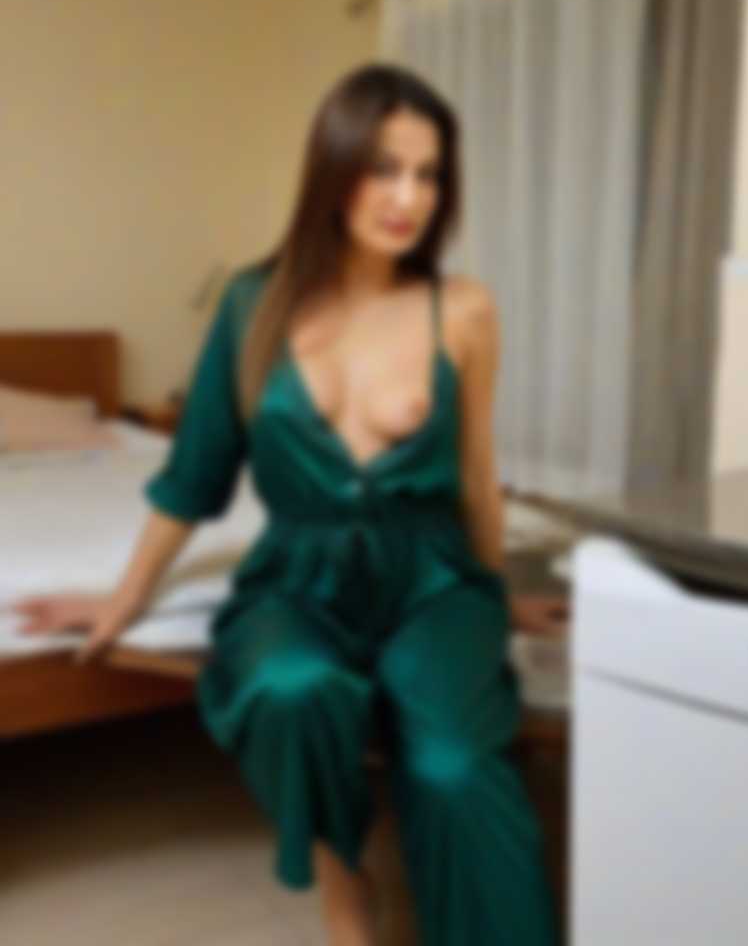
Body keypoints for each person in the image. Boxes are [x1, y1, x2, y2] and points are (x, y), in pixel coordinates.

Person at [12, 63, 566, 946]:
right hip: (297, 582)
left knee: (456, 769)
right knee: (288, 688)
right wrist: (122, 601)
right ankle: (345, 886)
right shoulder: (250, 304)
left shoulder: (462, 310)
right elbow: (193, 478)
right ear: (333, 169)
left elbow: (474, 477)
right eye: (384, 168)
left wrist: (495, 596)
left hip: (433, 582)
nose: (408, 198)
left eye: (428, 175)